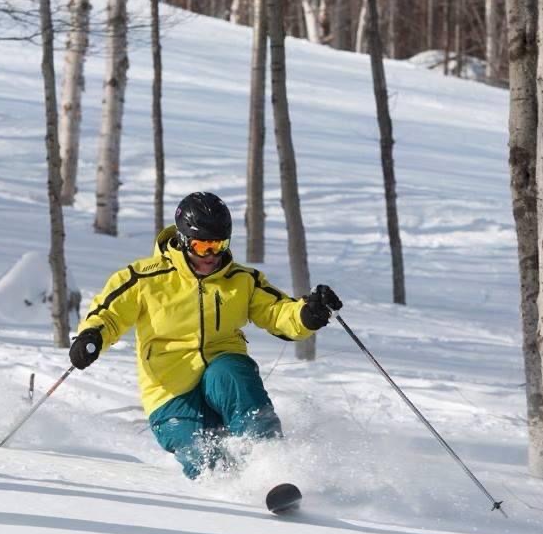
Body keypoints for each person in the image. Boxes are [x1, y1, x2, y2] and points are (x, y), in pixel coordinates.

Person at [69, 192, 342, 479]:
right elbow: (108, 314)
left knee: (231, 372)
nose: (212, 255)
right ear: (185, 240)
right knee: (201, 452)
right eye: (202, 246)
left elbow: (277, 311)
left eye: (219, 245)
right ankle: (228, 490)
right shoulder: (143, 278)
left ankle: (271, 463)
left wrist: (306, 314)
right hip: (170, 392)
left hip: (223, 375)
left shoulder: (241, 280)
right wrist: (92, 336)